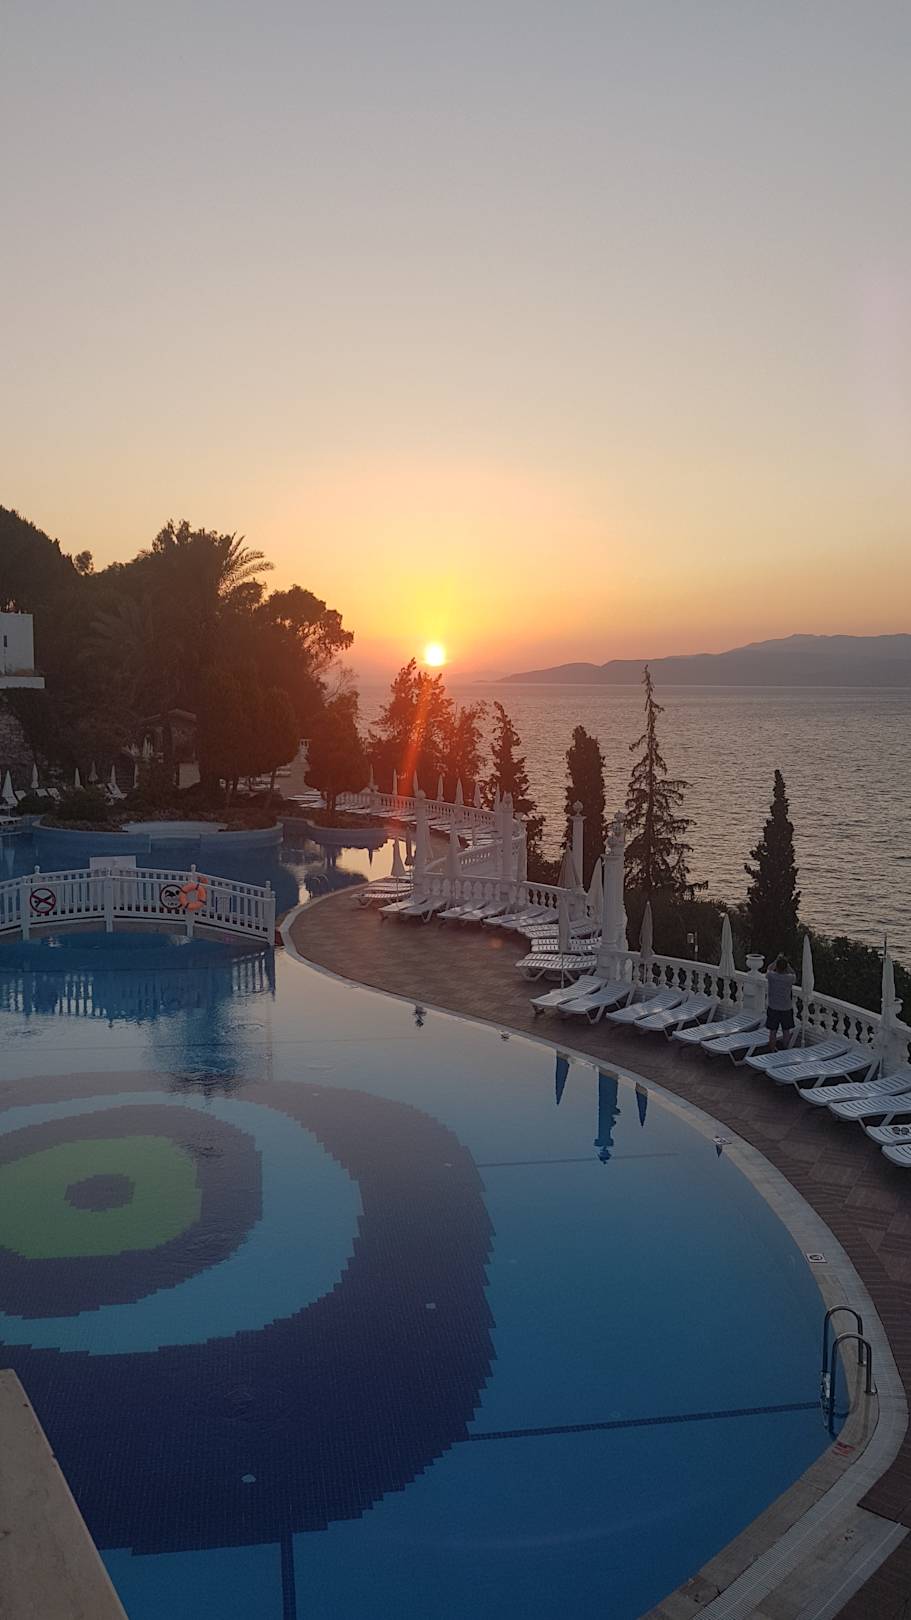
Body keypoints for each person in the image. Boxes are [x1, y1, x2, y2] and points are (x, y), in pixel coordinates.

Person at [765, 954, 796, 1052]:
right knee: (786, 1031)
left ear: (777, 967)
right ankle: (785, 1049)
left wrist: (776, 960)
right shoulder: (789, 978)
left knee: (773, 1031)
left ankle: (771, 1049)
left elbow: (769, 968)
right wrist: (787, 965)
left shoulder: (771, 976)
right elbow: (793, 973)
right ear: (785, 968)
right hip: (786, 1008)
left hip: (773, 1007)